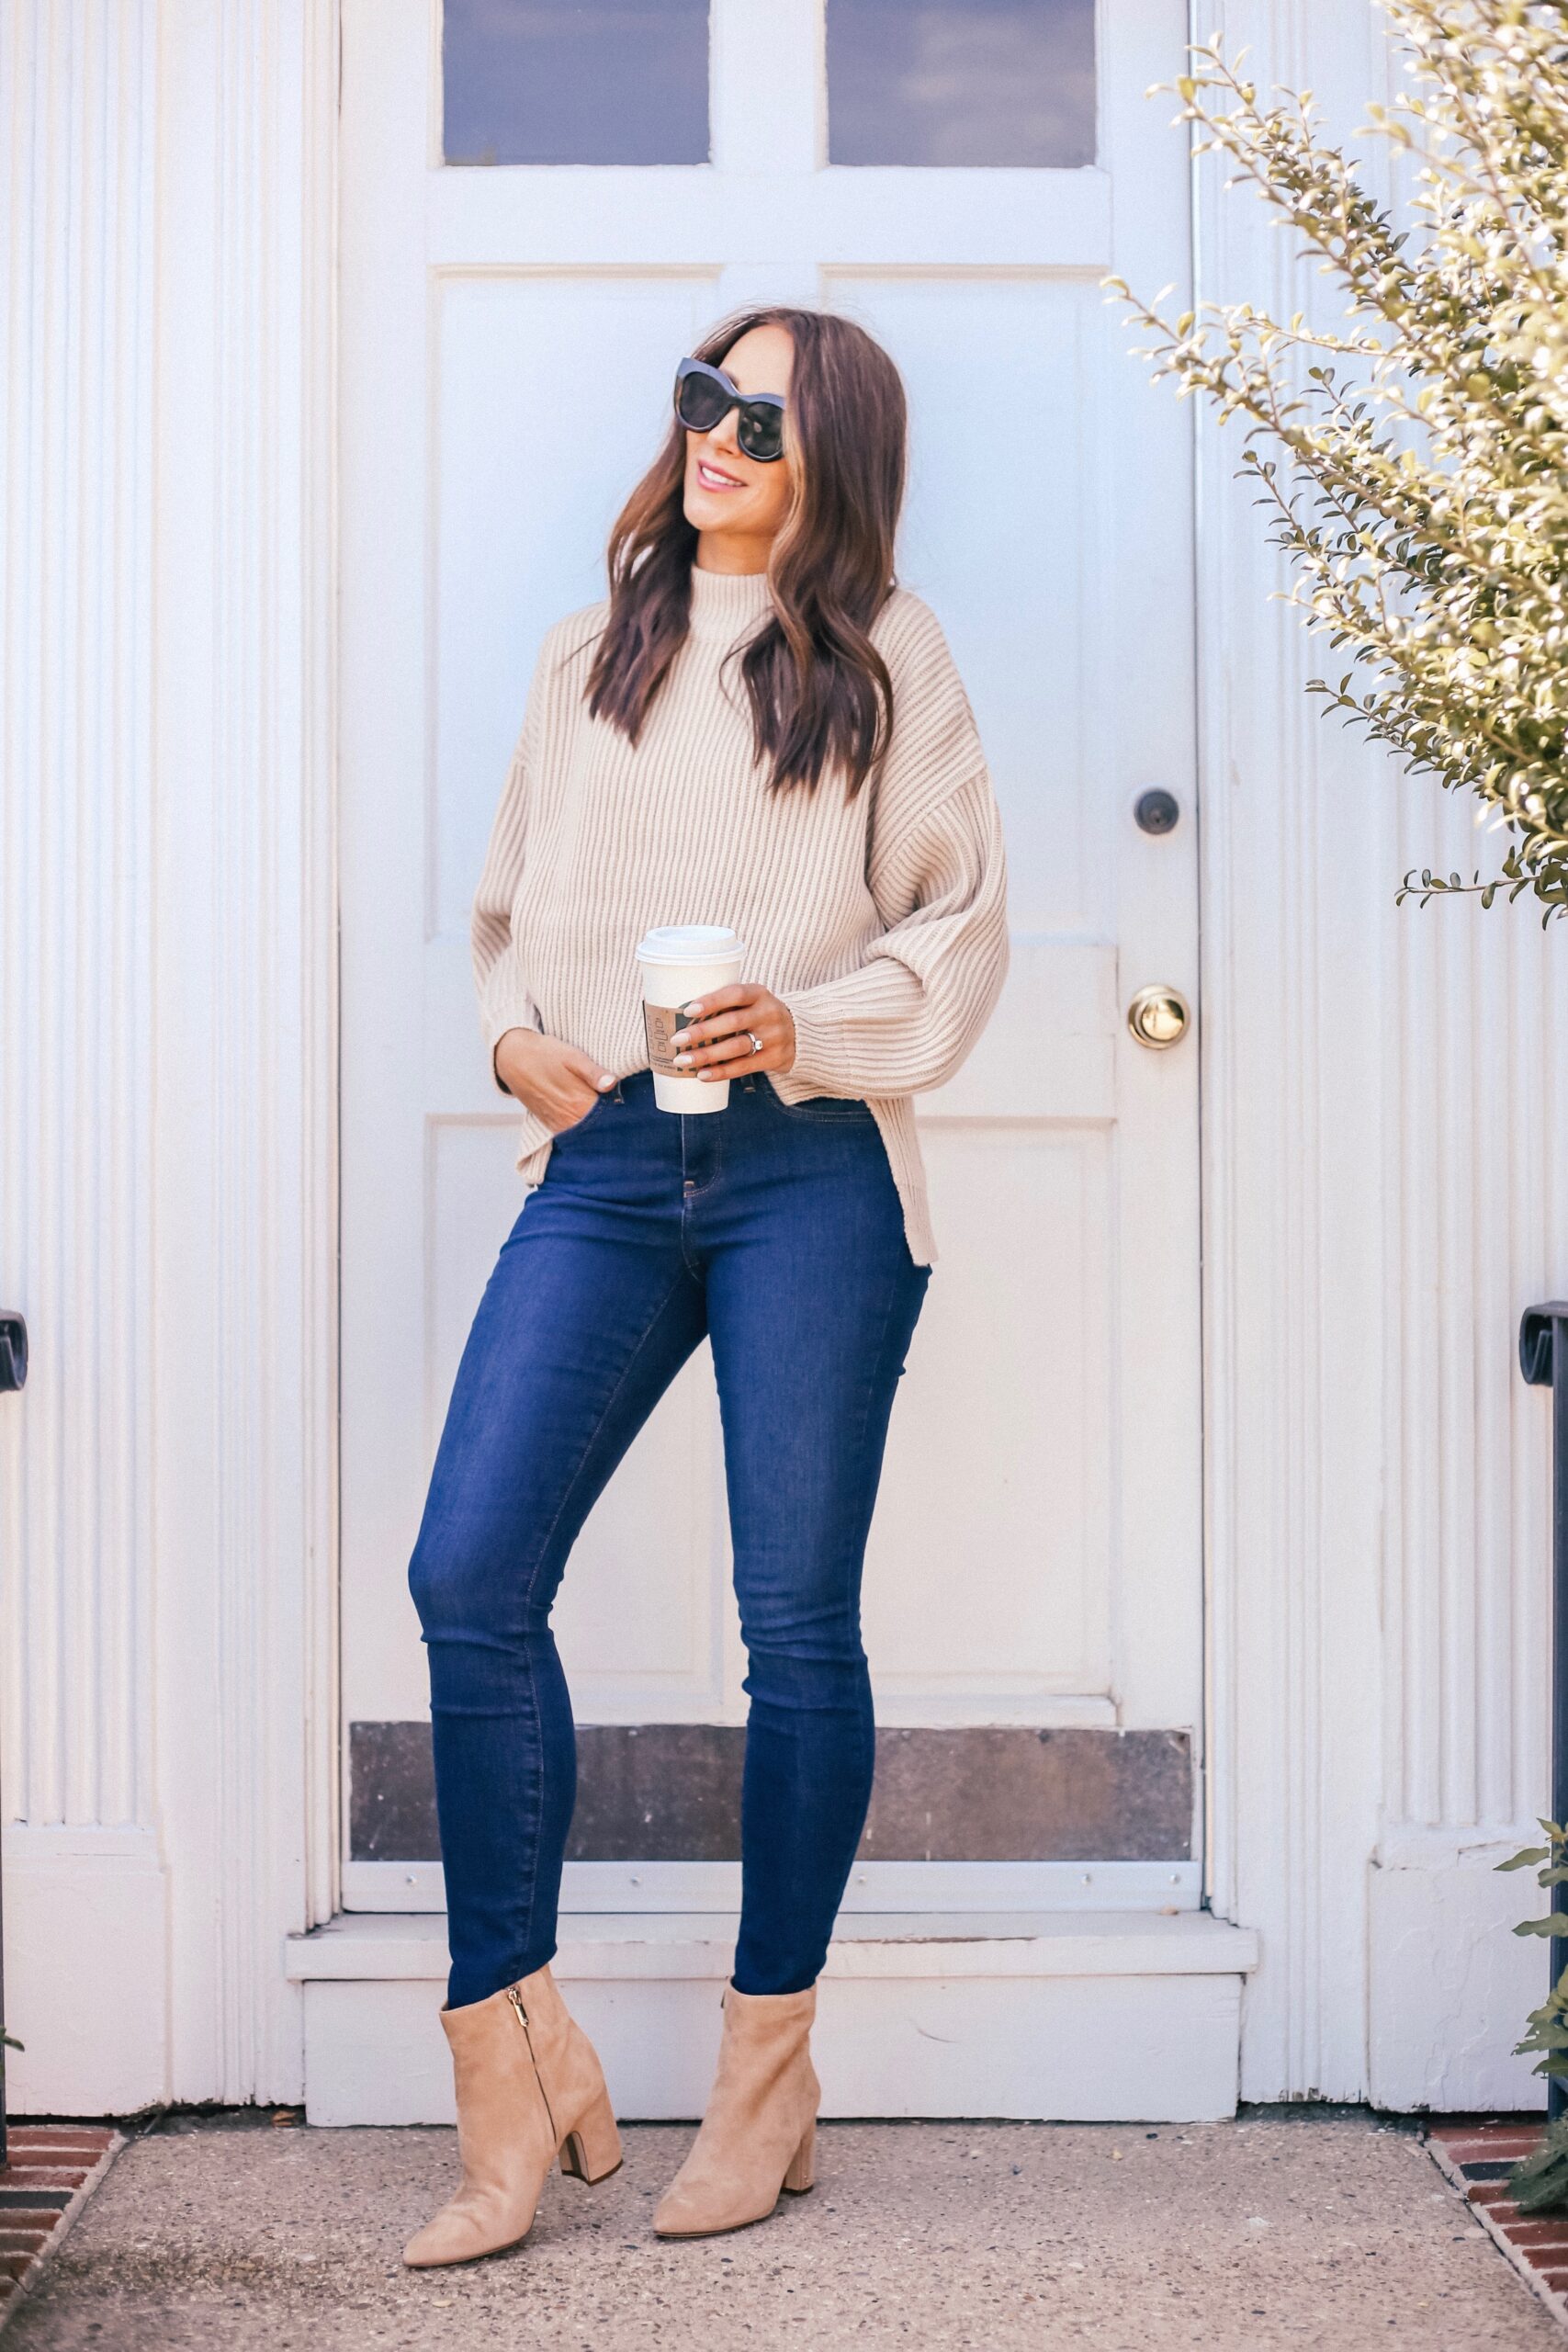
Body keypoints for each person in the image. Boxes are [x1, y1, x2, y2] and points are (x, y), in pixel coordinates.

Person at [402, 305, 1009, 2267]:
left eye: (765, 412)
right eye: (702, 398)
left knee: (791, 1624)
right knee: (468, 1574)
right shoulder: (591, 651)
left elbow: (959, 924)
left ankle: (765, 2082)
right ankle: (510, 2056)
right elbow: (507, 915)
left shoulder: (885, 657)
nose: (721, 434)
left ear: (833, 454)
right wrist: (512, 1041)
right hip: (600, 1167)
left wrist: (806, 1022)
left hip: (808, 1169)